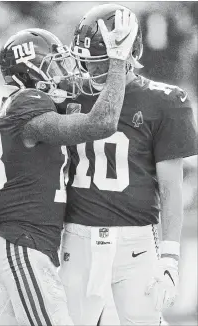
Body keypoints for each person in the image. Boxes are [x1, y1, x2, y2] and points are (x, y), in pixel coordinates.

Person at [0, 19, 138, 325]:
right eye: (54, 65)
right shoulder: (29, 101)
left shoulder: (24, 107)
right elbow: (100, 124)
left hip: (22, 244)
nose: (65, 73)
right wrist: (118, 62)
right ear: (32, 72)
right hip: (23, 245)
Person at [54, 4, 197, 325]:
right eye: (85, 62)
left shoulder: (165, 101)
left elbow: (170, 186)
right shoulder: (66, 93)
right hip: (75, 237)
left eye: (98, 62)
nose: (88, 71)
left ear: (129, 52)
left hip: (136, 242)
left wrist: (170, 257)